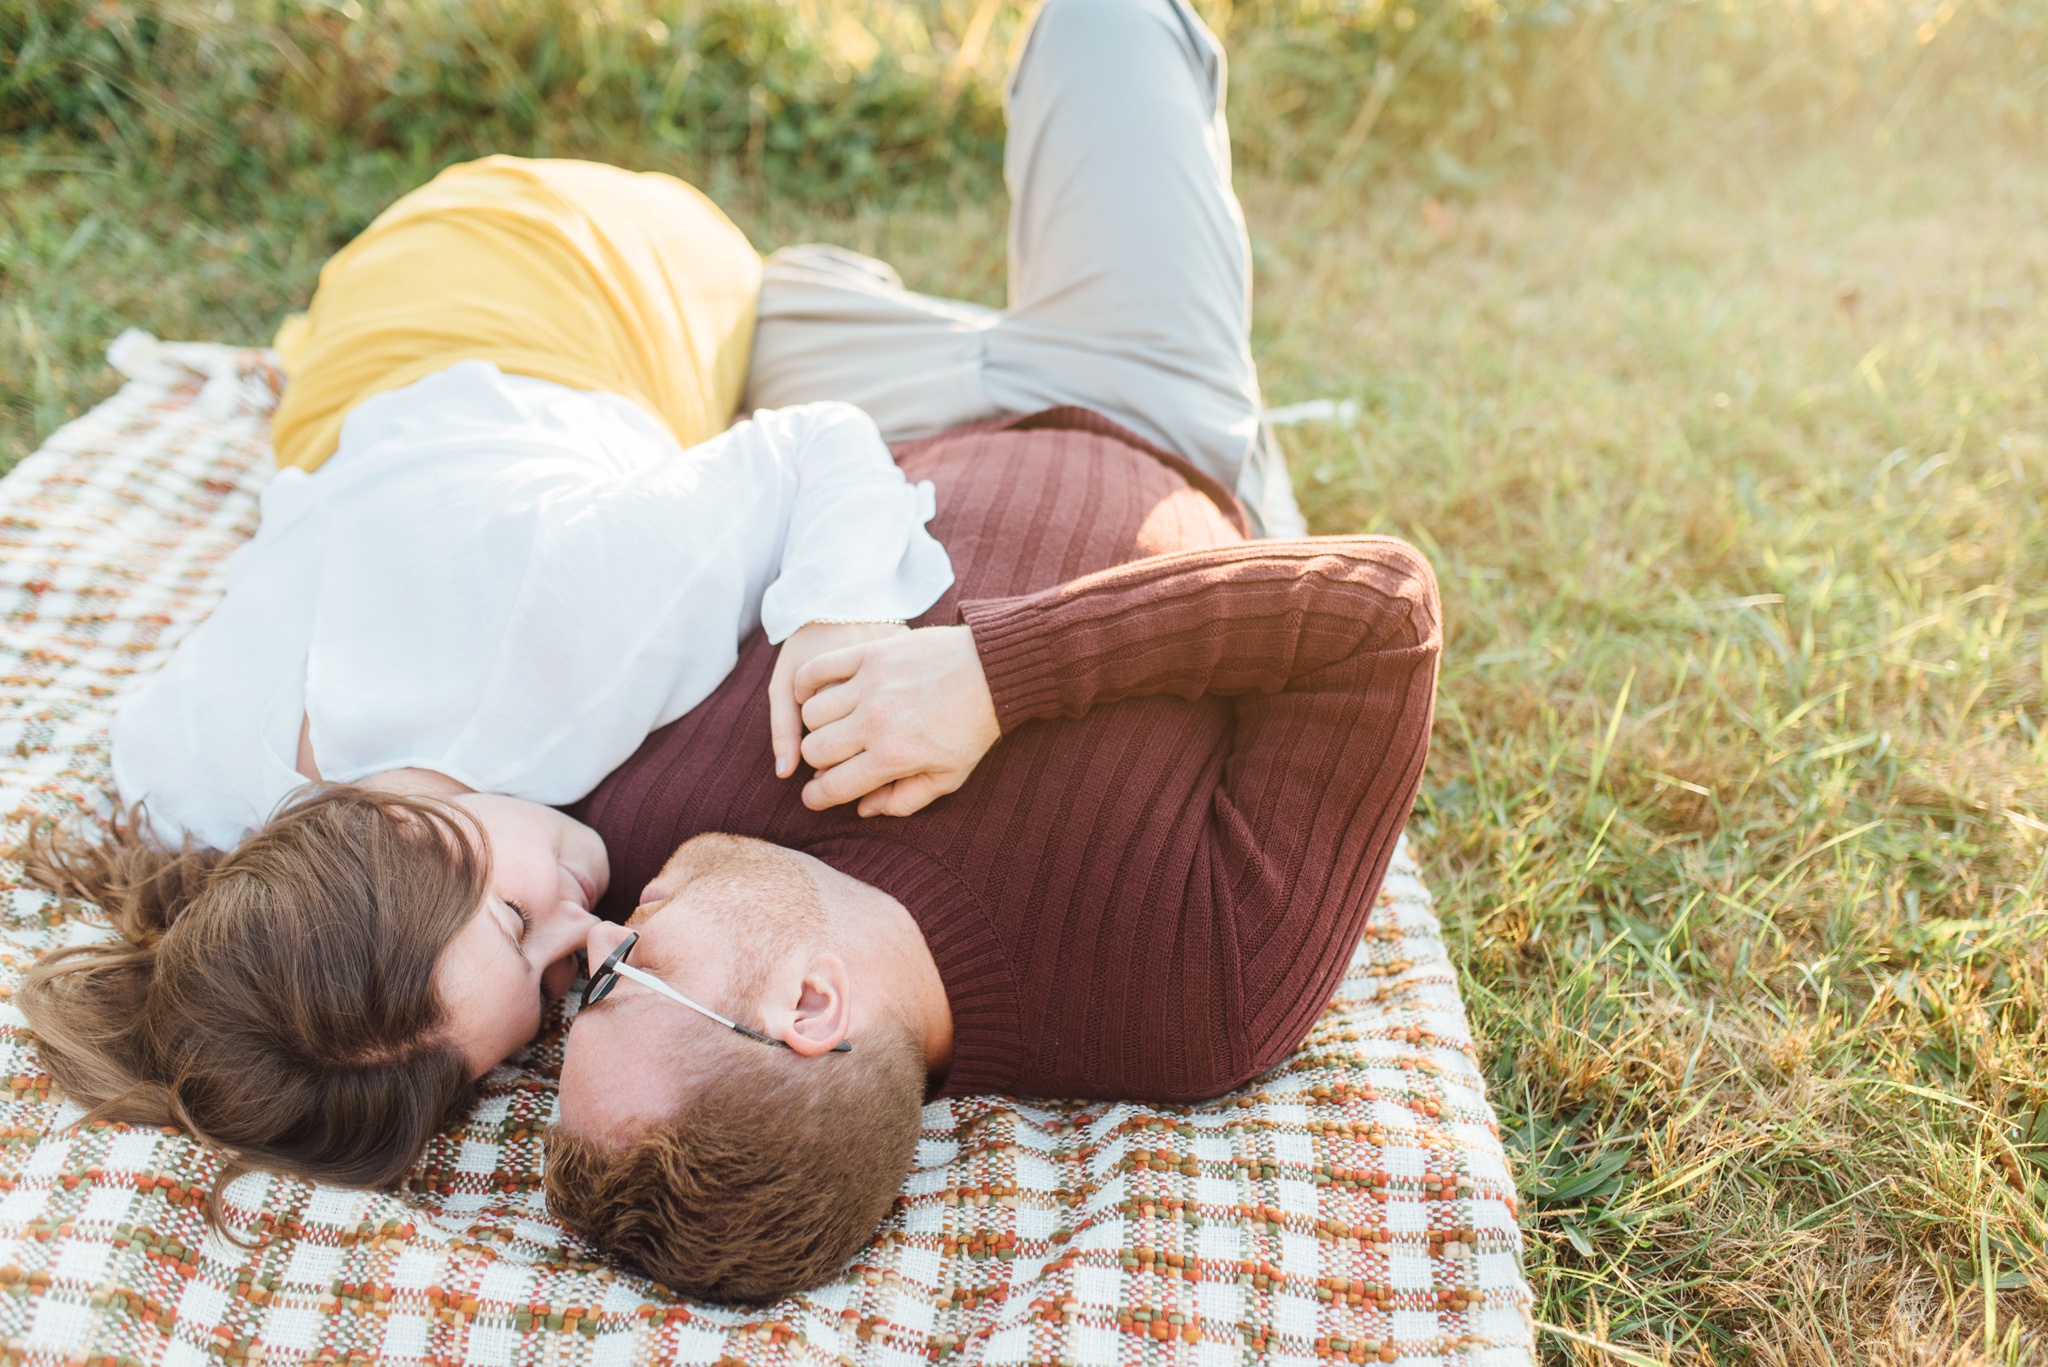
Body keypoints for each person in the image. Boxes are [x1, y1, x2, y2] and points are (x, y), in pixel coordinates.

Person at [540, 0, 1439, 1306]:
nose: (597, 938)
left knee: (668, 297)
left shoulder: (646, 841)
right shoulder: (1199, 990)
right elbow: (1378, 611)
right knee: (1110, 24)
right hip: (1144, 400)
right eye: (622, 980)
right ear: (806, 1004)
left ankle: (857, 299)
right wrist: (993, 679)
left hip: (867, 417)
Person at [16, 156, 956, 1193]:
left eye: (520, 922)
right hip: (357, 353)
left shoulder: (571, 633)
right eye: (553, 985)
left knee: (848, 353)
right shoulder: (182, 784)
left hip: (579, 250)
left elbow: (816, 442)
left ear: (409, 830)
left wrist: (838, 616)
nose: (591, 926)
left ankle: (809, 285)